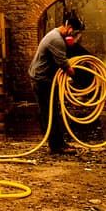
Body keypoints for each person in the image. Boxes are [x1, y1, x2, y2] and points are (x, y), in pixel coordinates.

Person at [28, 16, 84, 155]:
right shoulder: (57, 40)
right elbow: (64, 65)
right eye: (75, 33)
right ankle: (56, 146)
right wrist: (78, 76)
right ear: (69, 28)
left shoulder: (55, 35)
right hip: (42, 80)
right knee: (50, 112)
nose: (75, 36)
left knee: (52, 111)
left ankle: (58, 143)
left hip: (44, 78)